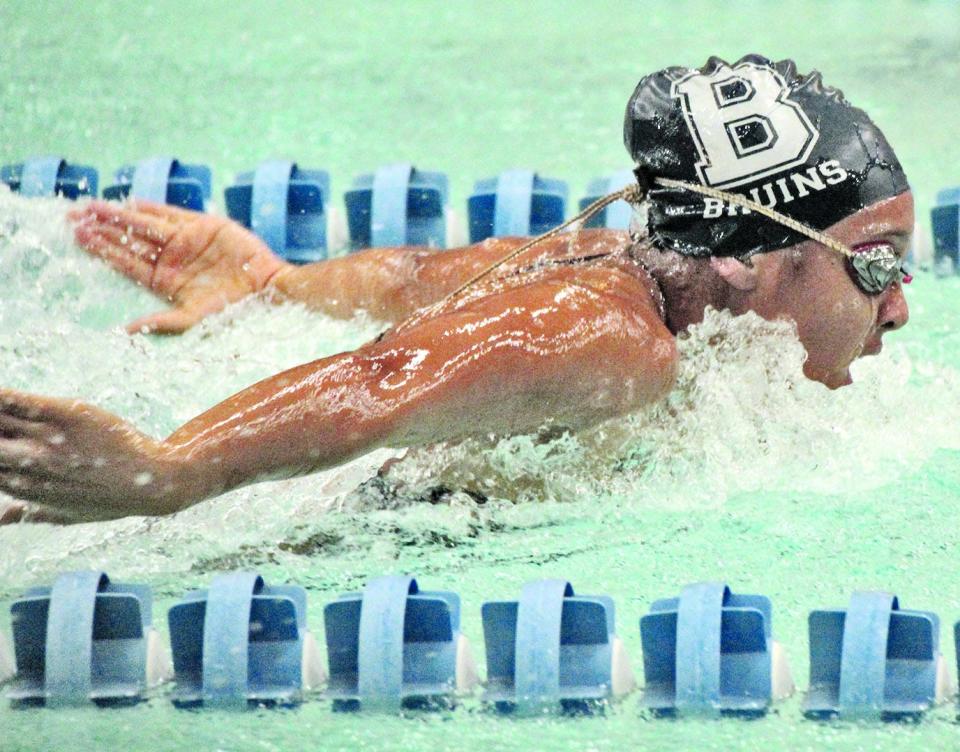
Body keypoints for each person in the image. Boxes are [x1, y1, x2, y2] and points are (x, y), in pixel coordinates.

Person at [0, 54, 912, 524]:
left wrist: (269, 287)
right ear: (746, 256)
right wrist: (171, 471)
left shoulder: (611, 261)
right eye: (874, 263)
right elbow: (382, 380)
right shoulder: (621, 344)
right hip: (359, 532)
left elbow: (408, 278)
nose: (900, 306)